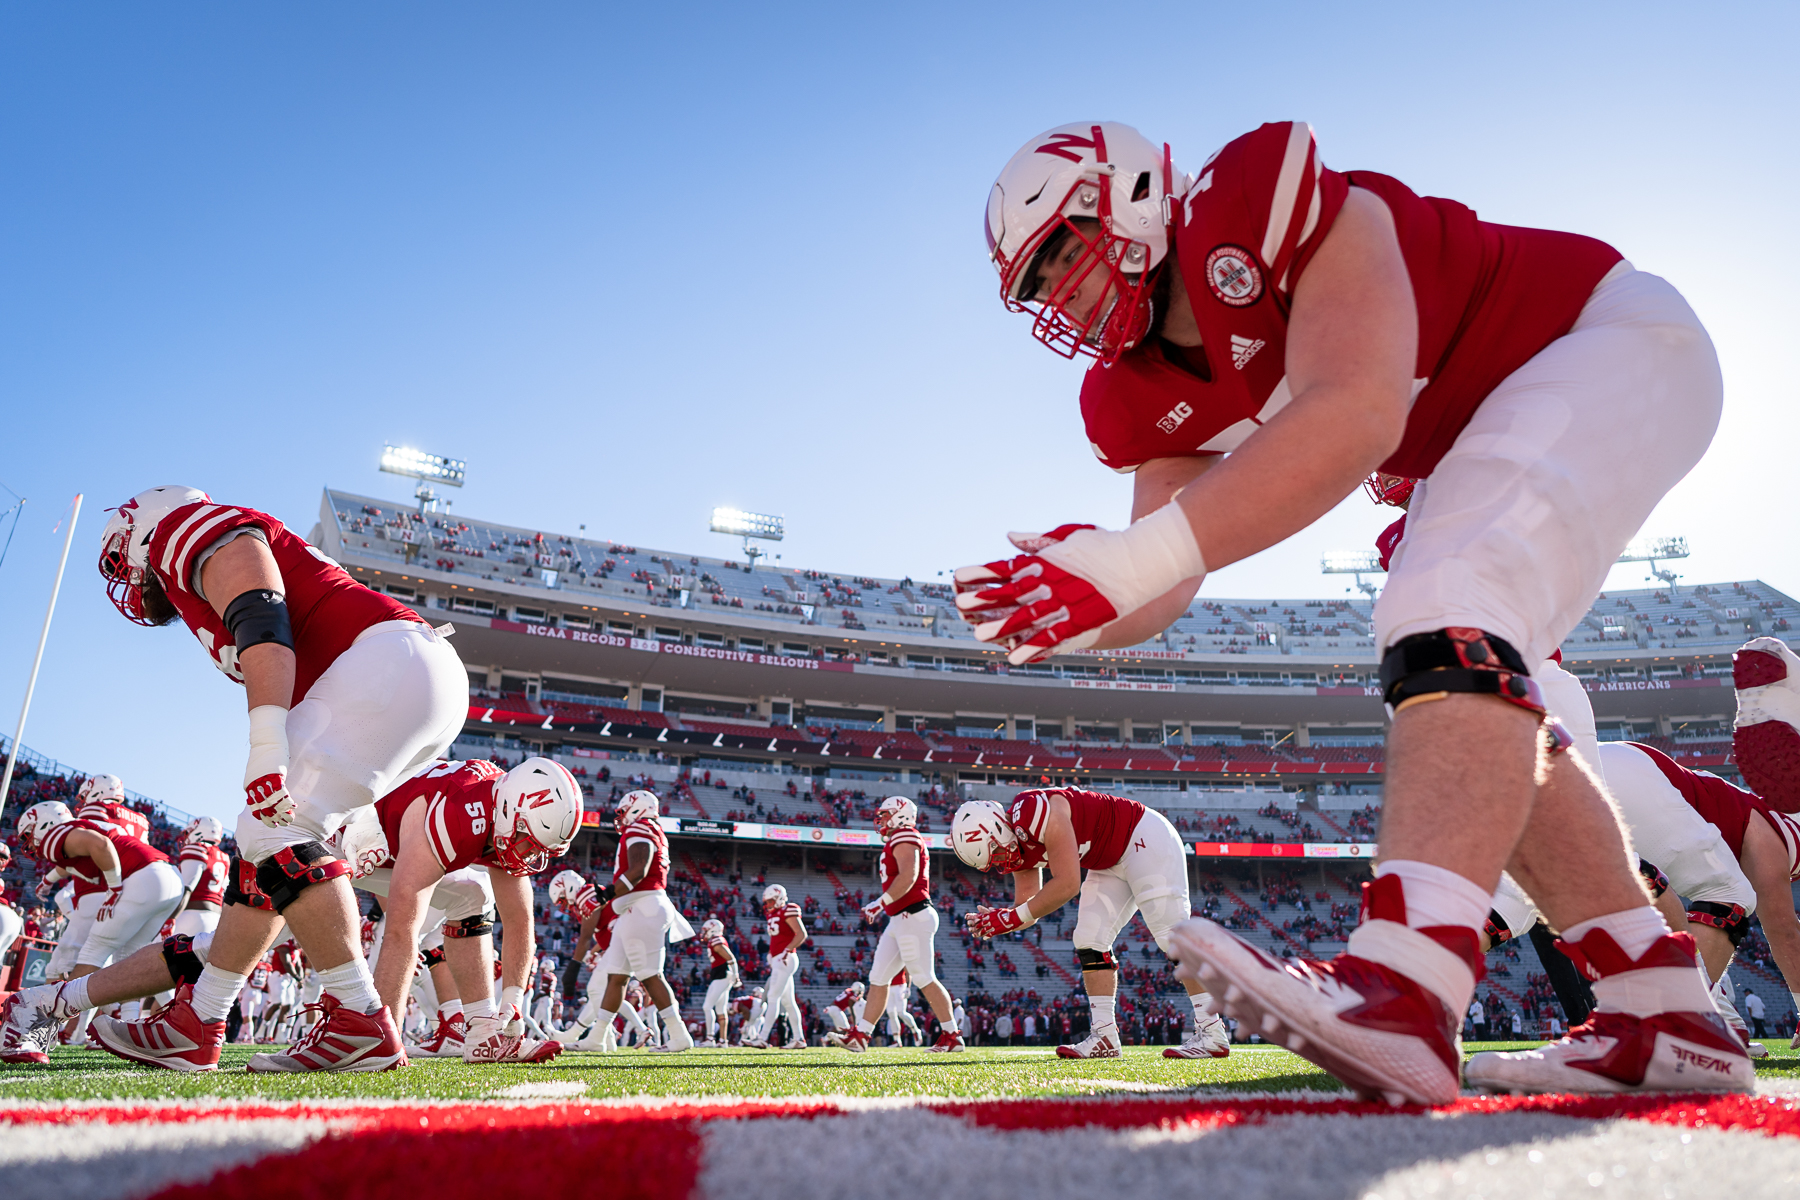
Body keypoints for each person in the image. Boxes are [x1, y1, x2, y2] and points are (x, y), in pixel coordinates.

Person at [957, 122, 1744, 1101]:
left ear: (1132, 193)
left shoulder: (1251, 198)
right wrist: (1084, 608)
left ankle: (1407, 984)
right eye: (1041, 286)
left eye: (1066, 255)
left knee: (1443, 602)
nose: (1064, 294)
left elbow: (1359, 408)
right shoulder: (1129, 394)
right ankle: (1662, 1006)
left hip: (1602, 339)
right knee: (1491, 708)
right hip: (1490, 429)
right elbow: (1162, 580)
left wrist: (1128, 562)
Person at [85, 485, 468, 1073]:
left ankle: (358, 1017)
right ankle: (201, 1017)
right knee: (265, 857)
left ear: (139, 531)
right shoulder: (195, 547)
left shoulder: (178, 530)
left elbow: (263, 620)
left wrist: (266, 747)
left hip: (383, 663)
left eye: (120, 562)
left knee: (271, 830)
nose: (130, 584)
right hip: (408, 675)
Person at [951, 787, 1228, 1060]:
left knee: (1171, 937)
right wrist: (1001, 921)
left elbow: (1068, 883)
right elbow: (1029, 909)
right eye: (992, 862)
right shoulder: (1017, 844)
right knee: (1088, 940)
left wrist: (1010, 918)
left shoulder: (1033, 810)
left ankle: (1212, 1031)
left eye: (996, 853)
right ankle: (1104, 1035)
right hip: (1108, 861)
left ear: (999, 829)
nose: (1000, 863)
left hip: (1142, 836)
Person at [842, 797, 962, 1052]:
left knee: (923, 977)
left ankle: (952, 1035)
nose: (881, 820)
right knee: (878, 977)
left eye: (885, 815)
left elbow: (908, 875)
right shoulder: (899, 838)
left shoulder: (906, 835)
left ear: (900, 814)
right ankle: (861, 1036)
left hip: (913, 915)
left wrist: (879, 902)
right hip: (900, 918)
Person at [586, 791, 695, 1053]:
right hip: (635, 909)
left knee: (650, 976)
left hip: (643, 906)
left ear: (637, 809)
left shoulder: (640, 828)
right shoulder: (649, 828)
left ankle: (679, 1035)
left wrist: (611, 892)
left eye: (623, 812)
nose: (621, 818)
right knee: (616, 975)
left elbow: (639, 869)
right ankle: (597, 1037)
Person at [745, 883, 807, 1049]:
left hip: (785, 959)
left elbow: (801, 934)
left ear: (779, 898)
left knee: (772, 997)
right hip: (779, 959)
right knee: (788, 1003)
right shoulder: (775, 914)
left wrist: (786, 951)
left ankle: (762, 1037)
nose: (767, 905)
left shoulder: (788, 910)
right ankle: (799, 1039)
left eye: (770, 901)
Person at [173, 817, 230, 938]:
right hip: (215, 919)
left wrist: (171, 919)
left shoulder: (197, 849)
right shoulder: (225, 858)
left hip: (191, 916)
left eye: (188, 832)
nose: (186, 836)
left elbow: (187, 889)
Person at [697, 917, 739, 1046]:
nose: (704, 933)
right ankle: (723, 1040)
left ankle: (710, 1038)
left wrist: (736, 975)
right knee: (720, 1010)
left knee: (707, 1006)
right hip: (723, 976)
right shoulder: (714, 941)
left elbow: (730, 957)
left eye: (706, 930)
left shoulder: (716, 940)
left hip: (722, 975)